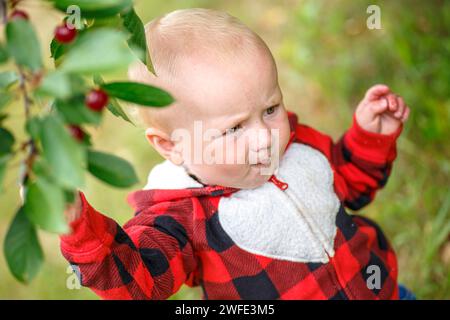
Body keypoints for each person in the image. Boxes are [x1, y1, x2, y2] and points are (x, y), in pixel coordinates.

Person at [61, 8, 411, 299]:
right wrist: (79, 229)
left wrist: (370, 137)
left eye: (271, 108)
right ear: (171, 145)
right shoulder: (181, 217)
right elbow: (137, 283)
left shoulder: (299, 147)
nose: (264, 138)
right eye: (233, 129)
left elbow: (353, 183)